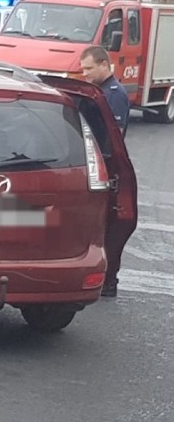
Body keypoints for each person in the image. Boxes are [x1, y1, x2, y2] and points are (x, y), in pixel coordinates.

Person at [79, 45, 130, 298]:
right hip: (97, 163)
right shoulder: (98, 92)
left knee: (106, 226)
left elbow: (113, 136)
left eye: (88, 68)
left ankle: (109, 281)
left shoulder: (114, 94)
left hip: (107, 167)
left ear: (103, 64)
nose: (85, 73)